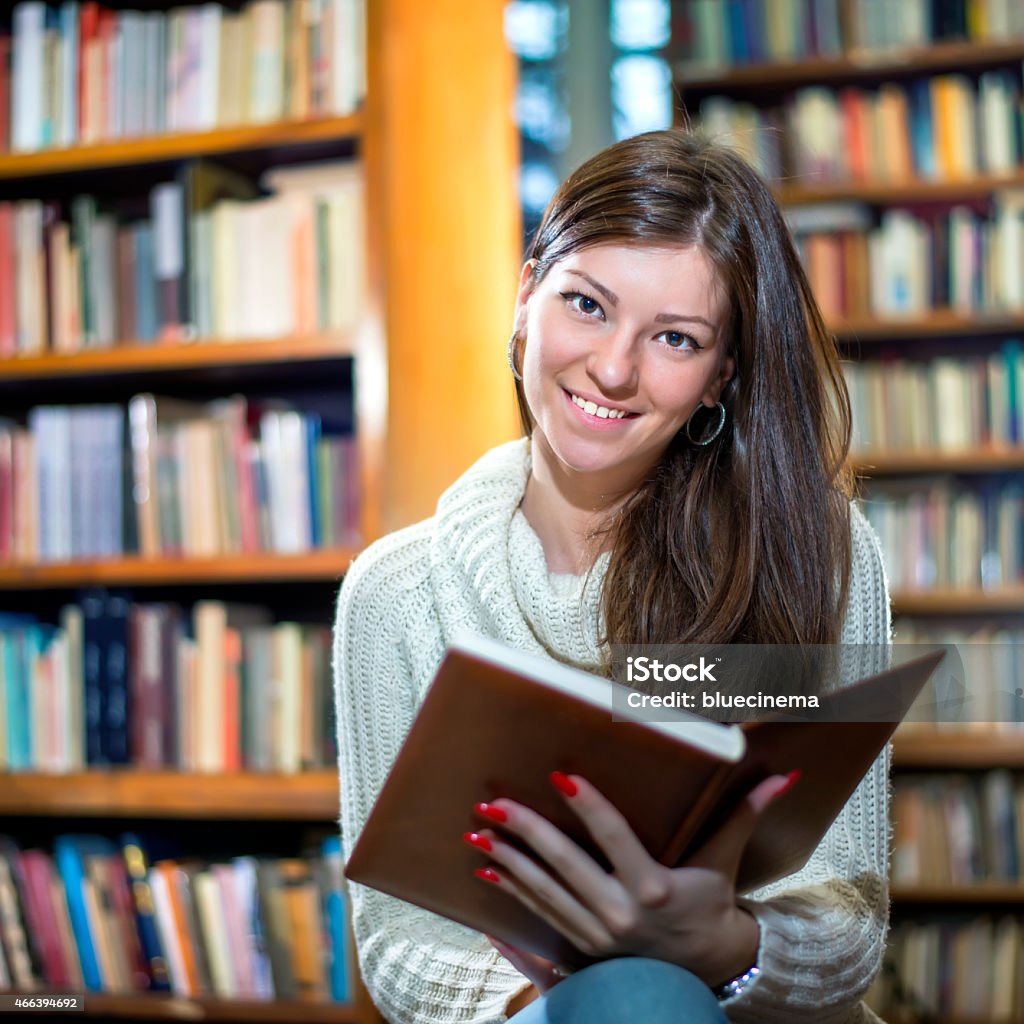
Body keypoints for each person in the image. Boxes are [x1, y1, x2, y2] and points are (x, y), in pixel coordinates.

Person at [333, 129, 891, 1024]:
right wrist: (565, 993)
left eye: (675, 337)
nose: (615, 368)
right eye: (587, 305)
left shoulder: (815, 548)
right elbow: (401, 947)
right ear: (526, 296)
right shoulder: (396, 592)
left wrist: (720, 952)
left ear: (721, 378)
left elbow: (849, 926)